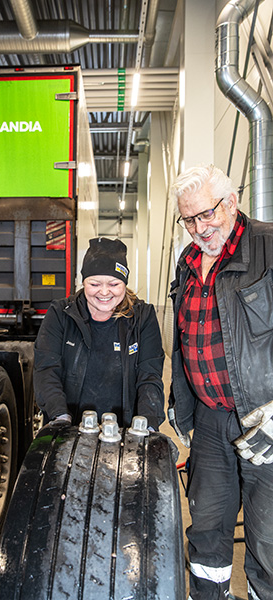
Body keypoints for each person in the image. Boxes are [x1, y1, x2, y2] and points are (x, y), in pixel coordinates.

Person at [169, 164, 273, 600]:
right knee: (208, 530)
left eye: (207, 214)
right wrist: (181, 402)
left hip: (265, 421)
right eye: (189, 219)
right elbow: (182, 336)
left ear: (231, 203)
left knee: (268, 539)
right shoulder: (187, 261)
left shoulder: (268, 246)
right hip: (211, 424)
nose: (199, 227)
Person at [34, 236, 165, 430]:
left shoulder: (142, 318)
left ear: (125, 283)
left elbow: (150, 375)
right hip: (70, 426)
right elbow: (46, 369)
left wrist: (147, 424)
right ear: (83, 281)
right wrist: (60, 418)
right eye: (95, 284)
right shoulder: (61, 314)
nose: (104, 293)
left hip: (126, 429)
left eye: (114, 284)